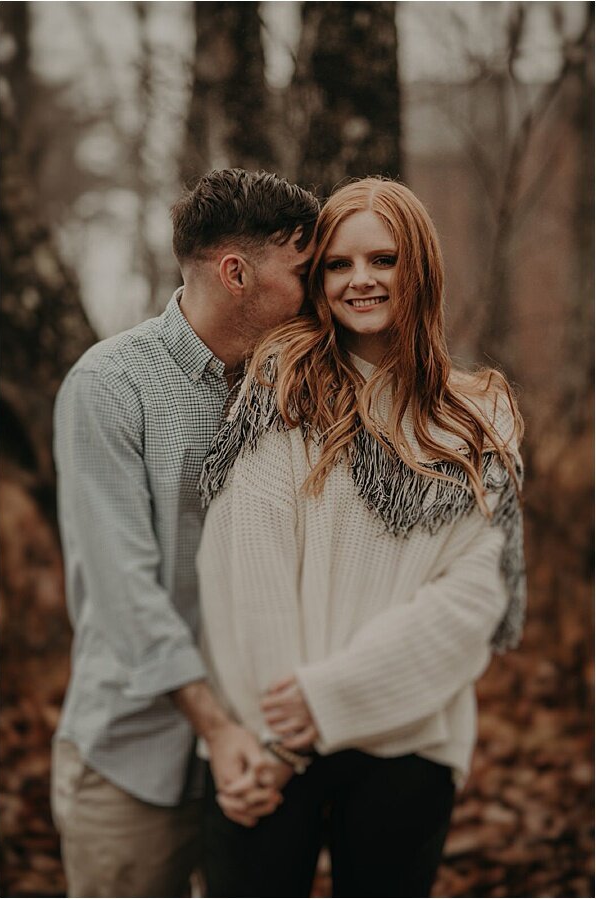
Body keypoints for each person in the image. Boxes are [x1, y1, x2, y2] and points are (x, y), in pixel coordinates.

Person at [195, 177, 524, 896]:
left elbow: (474, 597)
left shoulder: (475, 422)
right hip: (265, 738)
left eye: (383, 259)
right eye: (339, 264)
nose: (361, 280)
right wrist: (281, 738)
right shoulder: (281, 387)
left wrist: (331, 698)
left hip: (408, 738)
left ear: (420, 270)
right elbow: (247, 566)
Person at [50, 169, 320, 896]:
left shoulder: (301, 385)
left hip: (266, 754)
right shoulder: (109, 386)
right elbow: (122, 590)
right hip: (134, 753)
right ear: (237, 272)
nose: (320, 293)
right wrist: (215, 726)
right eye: (304, 272)